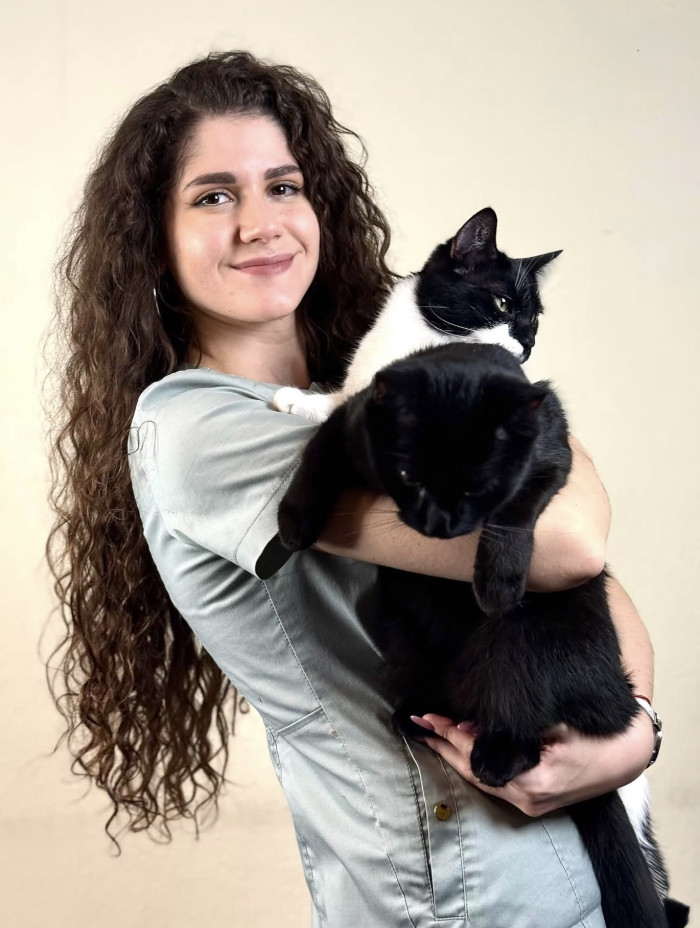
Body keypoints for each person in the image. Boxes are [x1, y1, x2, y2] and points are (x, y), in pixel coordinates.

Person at [47, 51, 659, 927]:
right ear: (154, 239)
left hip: (584, 877)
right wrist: (534, 422)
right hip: (462, 901)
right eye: (213, 197)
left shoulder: (372, 381)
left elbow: (592, 592)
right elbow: (568, 545)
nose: (260, 224)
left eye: (283, 187)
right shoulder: (197, 430)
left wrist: (633, 733)